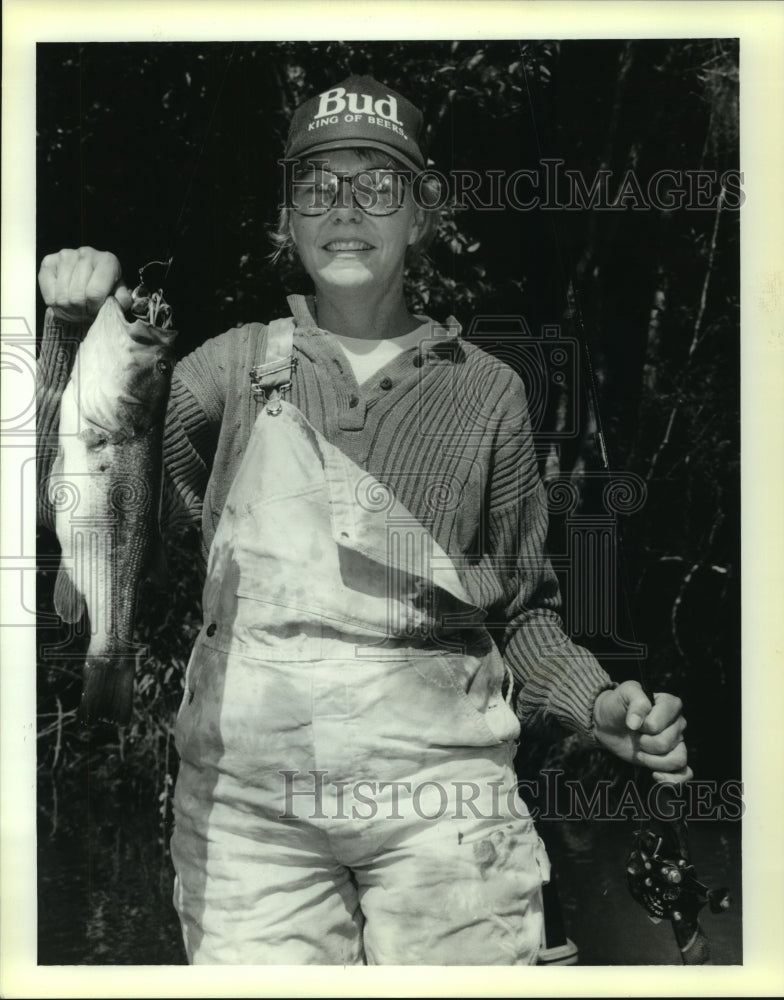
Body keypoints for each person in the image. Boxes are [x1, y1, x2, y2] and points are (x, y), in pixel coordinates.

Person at [37, 75, 690, 966]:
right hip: (248, 810)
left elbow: (523, 618)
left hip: (445, 805)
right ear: (289, 219)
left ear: (420, 216)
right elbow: (80, 483)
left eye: (377, 185)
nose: (345, 208)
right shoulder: (227, 371)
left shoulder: (488, 392)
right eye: (317, 185)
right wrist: (67, 333)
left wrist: (598, 704)